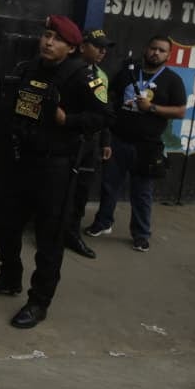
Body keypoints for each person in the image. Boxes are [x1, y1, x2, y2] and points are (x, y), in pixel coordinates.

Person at [0, 16, 109, 328]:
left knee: (49, 239)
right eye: (46, 36)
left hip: (55, 168)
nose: (48, 42)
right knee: (5, 225)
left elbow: (103, 116)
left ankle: (39, 302)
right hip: (22, 161)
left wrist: (68, 121)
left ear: (72, 47)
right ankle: (9, 277)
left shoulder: (82, 76)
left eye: (57, 39)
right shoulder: (29, 67)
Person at [85, 35, 187, 252]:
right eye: (153, 48)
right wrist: (107, 136)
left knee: (142, 193)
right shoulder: (127, 73)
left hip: (148, 146)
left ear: (168, 55)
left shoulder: (172, 80)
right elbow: (109, 98)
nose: (156, 53)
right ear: (146, 49)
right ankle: (103, 223)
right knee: (109, 186)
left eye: (161, 50)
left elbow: (180, 111)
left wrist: (151, 108)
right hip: (119, 140)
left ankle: (141, 234)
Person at [65, 28, 116, 259]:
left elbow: (103, 111)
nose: (103, 52)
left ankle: (72, 234)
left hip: (90, 142)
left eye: (105, 48)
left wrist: (105, 141)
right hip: (68, 140)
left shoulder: (101, 76)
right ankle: (51, 233)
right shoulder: (67, 70)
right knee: (60, 189)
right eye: (98, 46)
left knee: (81, 191)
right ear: (83, 46)